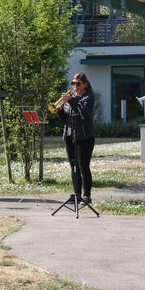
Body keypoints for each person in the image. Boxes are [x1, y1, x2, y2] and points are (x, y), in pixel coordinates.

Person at [57, 72, 96, 204]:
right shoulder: (72, 97)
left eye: (78, 83)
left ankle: (86, 196)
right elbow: (65, 119)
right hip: (69, 135)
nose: (75, 86)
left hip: (84, 137)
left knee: (83, 166)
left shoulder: (89, 97)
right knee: (73, 166)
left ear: (85, 84)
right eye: (73, 83)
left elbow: (82, 114)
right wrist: (60, 110)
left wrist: (71, 101)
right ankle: (76, 194)